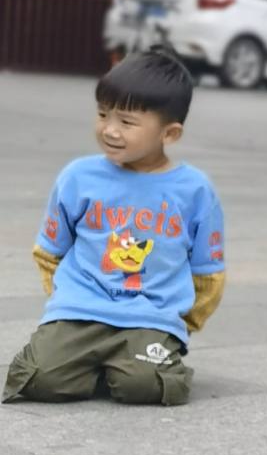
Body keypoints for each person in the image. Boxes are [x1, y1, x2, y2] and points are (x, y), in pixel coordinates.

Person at [5, 50, 226, 407]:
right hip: (79, 310)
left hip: (150, 316)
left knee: (146, 387)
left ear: (169, 133)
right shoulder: (78, 177)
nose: (109, 129)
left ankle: (141, 363)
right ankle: (92, 364)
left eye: (127, 121)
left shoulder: (195, 190)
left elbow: (208, 272)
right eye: (102, 114)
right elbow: (50, 251)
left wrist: (180, 321)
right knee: (39, 380)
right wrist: (65, 298)